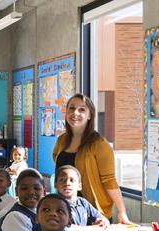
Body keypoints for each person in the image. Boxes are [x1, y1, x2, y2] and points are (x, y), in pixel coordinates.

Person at [52, 93, 132, 224]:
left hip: (92, 214)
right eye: (72, 108)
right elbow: (57, 162)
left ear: (90, 115)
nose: (75, 113)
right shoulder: (61, 140)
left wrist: (121, 211)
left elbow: (109, 180)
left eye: (82, 110)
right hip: (64, 210)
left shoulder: (99, 144)